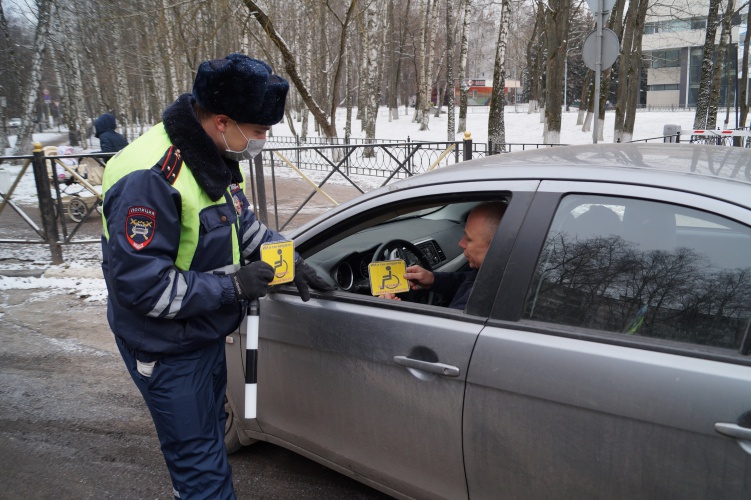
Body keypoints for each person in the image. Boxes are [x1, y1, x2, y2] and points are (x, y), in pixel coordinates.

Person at [100, 53, 332, 499]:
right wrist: (233, 287)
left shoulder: (208, 155)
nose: (263, 141)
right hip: (164, 347)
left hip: (200, 335)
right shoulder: (151, 177)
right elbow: (143, 287)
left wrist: (293, 261)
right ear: (223, 121)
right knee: (201, 470)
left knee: (204, 448)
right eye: (260, 132)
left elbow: (242, 226)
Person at [384, 201, 506, 310]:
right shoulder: (497, 271)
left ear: (495, 246)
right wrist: (433, 279)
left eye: (469, 239)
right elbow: (467, 281)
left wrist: (394, 312)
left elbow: (436, 333)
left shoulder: (484, 298)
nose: (461, 243)